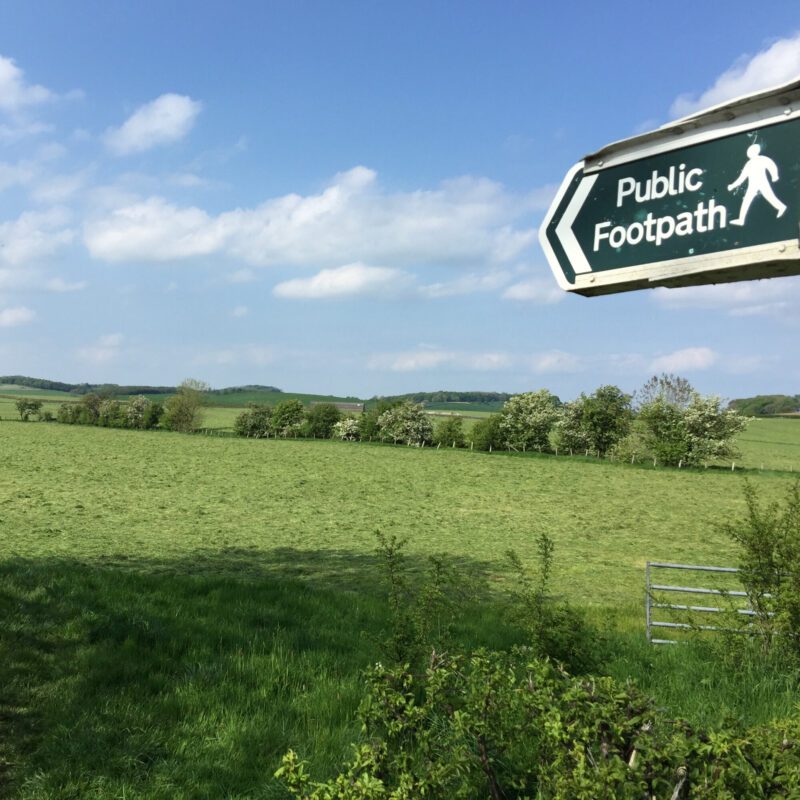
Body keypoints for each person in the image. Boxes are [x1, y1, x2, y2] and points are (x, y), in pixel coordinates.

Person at [727, 143, 787, 225]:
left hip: (762, 182)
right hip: (753, 185)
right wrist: (732, 186)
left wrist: (774, 176)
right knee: (747, 200)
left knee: (769, 196)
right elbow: (742, 177)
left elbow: (771, 165)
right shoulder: (748, 164)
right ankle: (741, 219)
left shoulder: (762, 159)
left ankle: (781, 207)